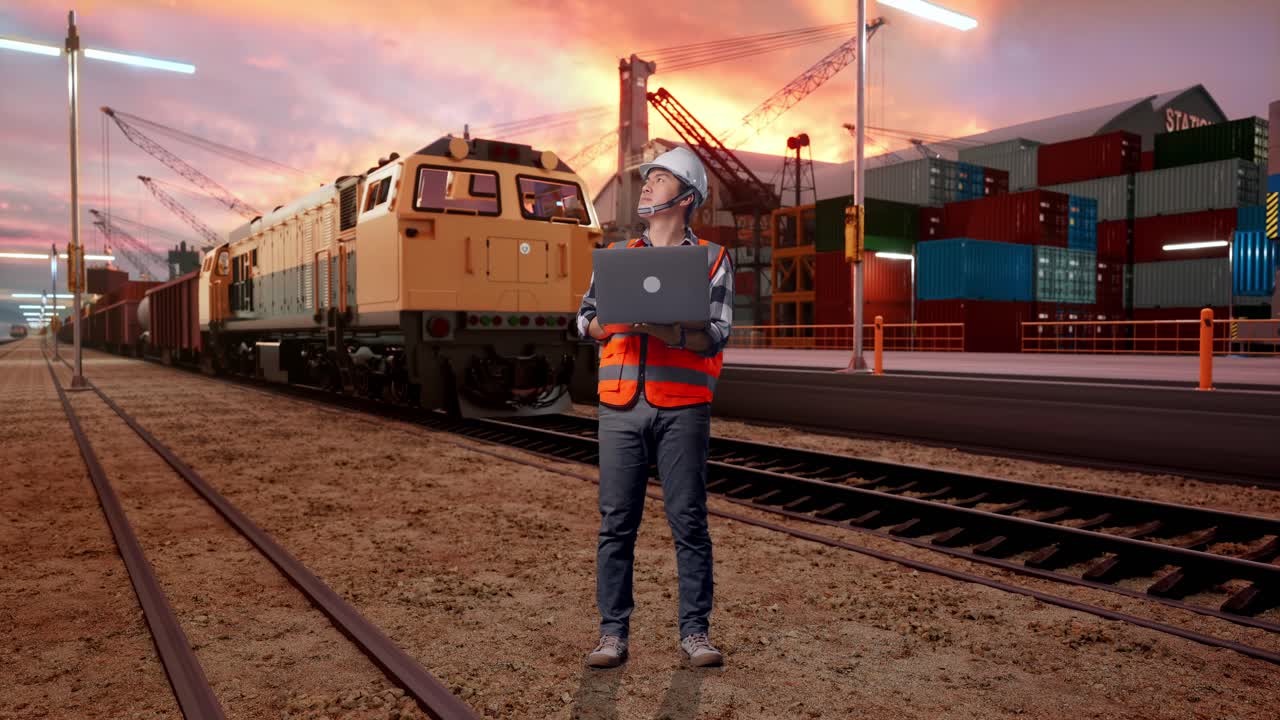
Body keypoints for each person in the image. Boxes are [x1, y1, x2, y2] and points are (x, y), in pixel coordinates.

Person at [574, 146, 734, 669]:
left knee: (688, 521)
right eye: (647, 178)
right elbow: (585, 321)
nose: (646, 185)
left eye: (659, 178)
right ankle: (612, 635)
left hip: (682, 406)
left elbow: (715, 335)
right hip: (620, 406)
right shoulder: (618, 256)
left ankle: (695, 634)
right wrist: (614, 323)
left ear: (686, 197)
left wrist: (669, 328)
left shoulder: (711, 258)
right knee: (616, 523)